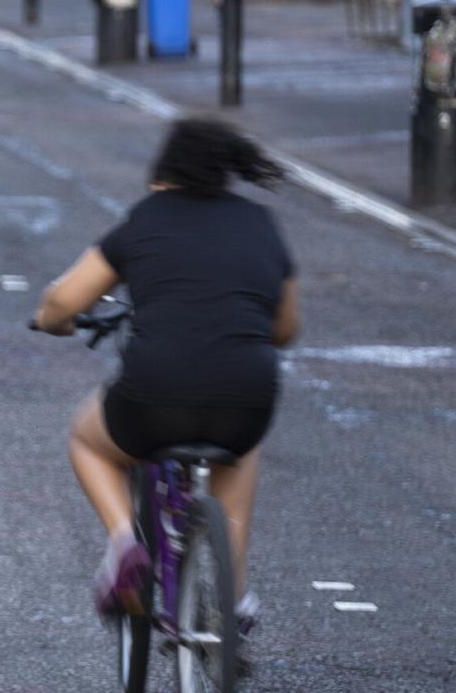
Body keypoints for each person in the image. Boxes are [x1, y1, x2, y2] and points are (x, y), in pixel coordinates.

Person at [31, 118, 300, 635]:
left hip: (155, 395)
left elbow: (65, 300)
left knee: (89, 440)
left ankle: (125, 546)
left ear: (163, 175)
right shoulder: (260, 224)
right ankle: (233, 594)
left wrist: (53, 323)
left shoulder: (145, 220)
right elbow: (285, 328)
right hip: (246, 395)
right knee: (239, 450)